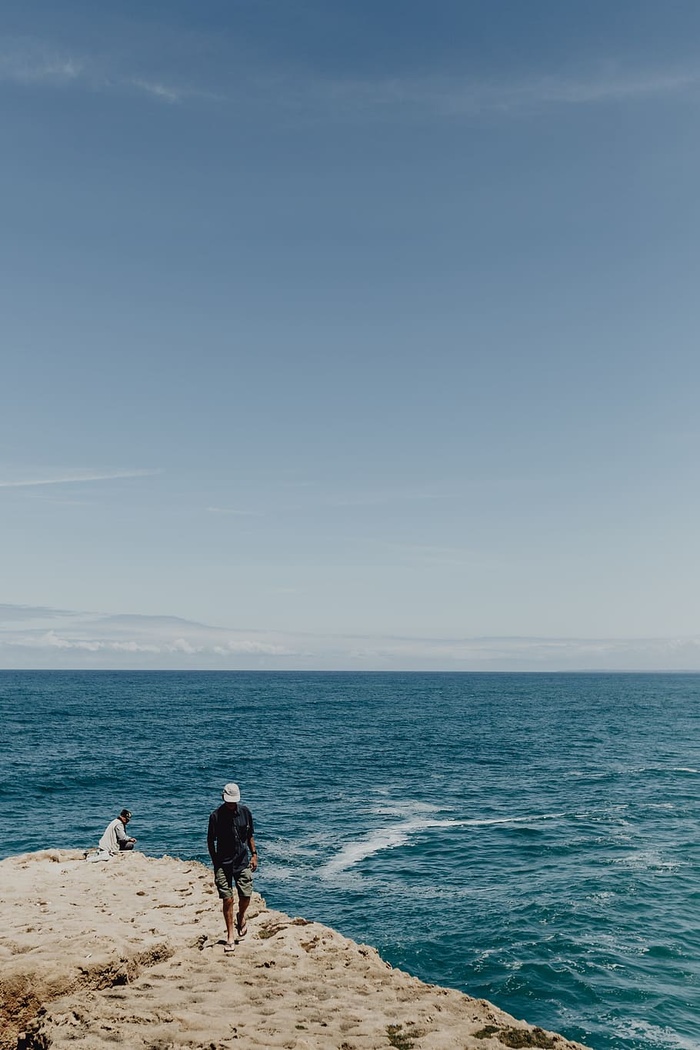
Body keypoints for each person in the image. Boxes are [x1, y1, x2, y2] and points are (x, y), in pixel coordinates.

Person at [207, 783, 257, 954]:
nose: (231, 804)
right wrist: (215, 862)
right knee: (227, 899)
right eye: (228, 801)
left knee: (246, 895)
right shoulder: (215, 817)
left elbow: (250, 835)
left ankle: (241, 916)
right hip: (223, 863)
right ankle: (230, 936)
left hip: (242, 860)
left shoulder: (245, 812)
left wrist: (254, 854)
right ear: (223, 798)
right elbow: (210, 841)